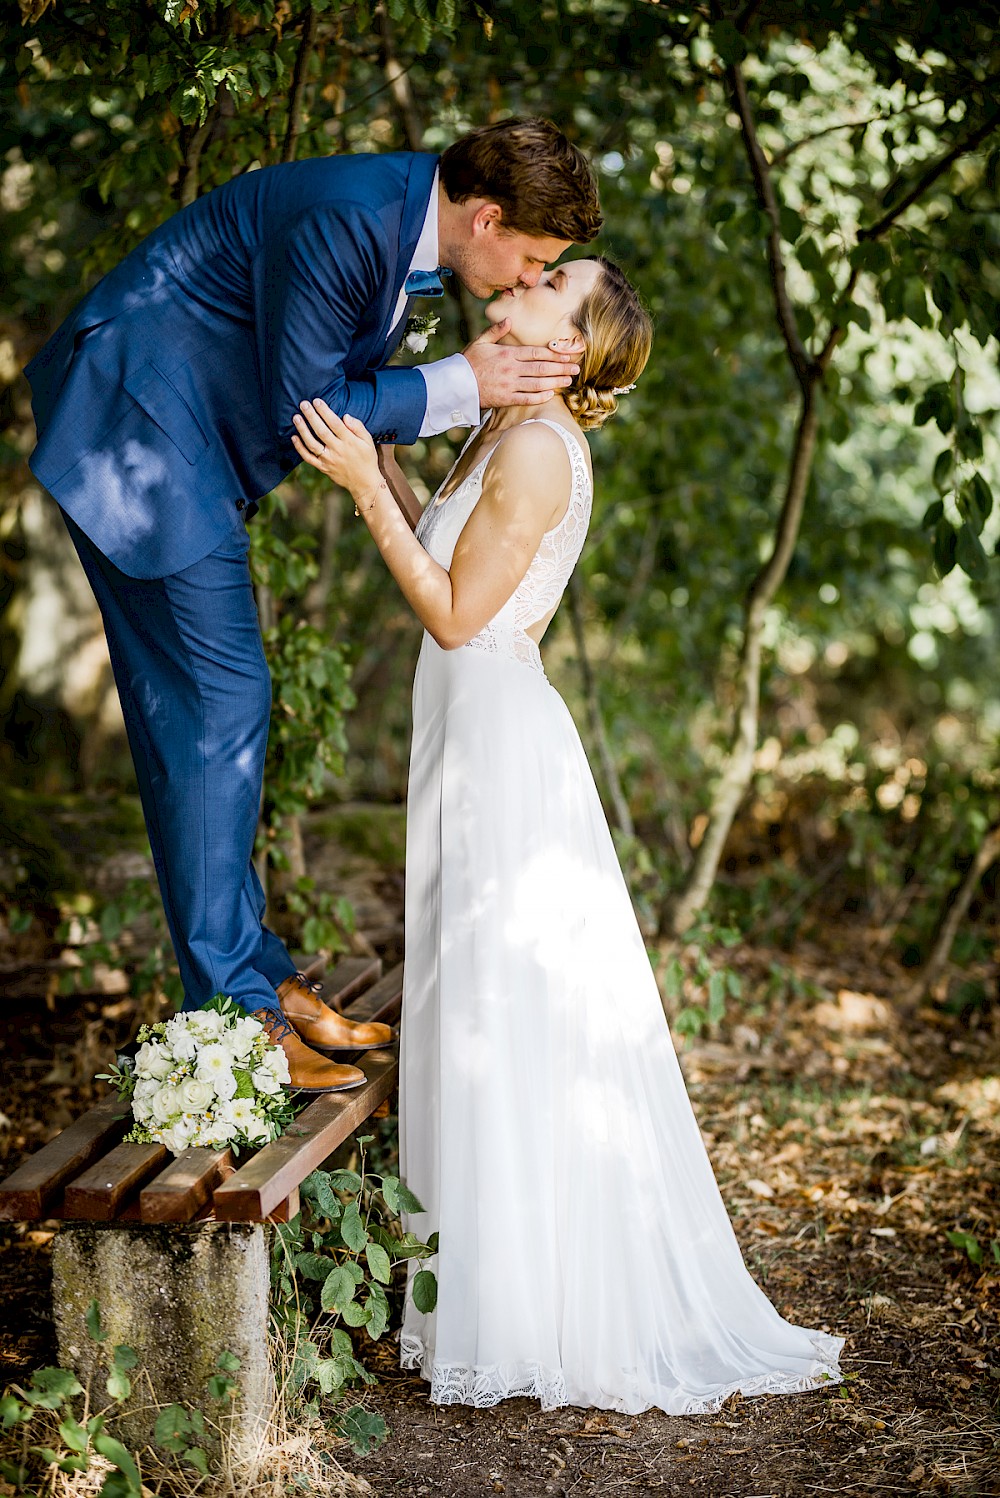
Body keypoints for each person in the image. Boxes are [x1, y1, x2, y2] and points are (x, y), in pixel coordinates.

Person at [291, 255, 846, 1413]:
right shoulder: (503, 422)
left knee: (497, 1000)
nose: (523, 282)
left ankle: (521, 1312)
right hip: (470, 736)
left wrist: (358, 488)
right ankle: (480, 1294)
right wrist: (378, 447)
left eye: (550, 285)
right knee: (469, 997)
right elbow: (444, 550)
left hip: (497, 746)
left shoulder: (540, 450)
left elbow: (450, 615)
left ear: (573, 339)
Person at [23, 118, 602, 1094]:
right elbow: (313, 404)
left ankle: (256, 981)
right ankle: (237, 1020)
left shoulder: (413, 234)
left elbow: (345, 385)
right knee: (221, 707)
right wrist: (464, 384)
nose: (522, 284)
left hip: (188, 458)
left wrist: (448, 395)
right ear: (489, 218)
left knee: (212, 713)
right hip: (142, 433)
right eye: (534, 261)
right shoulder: (351, 217)